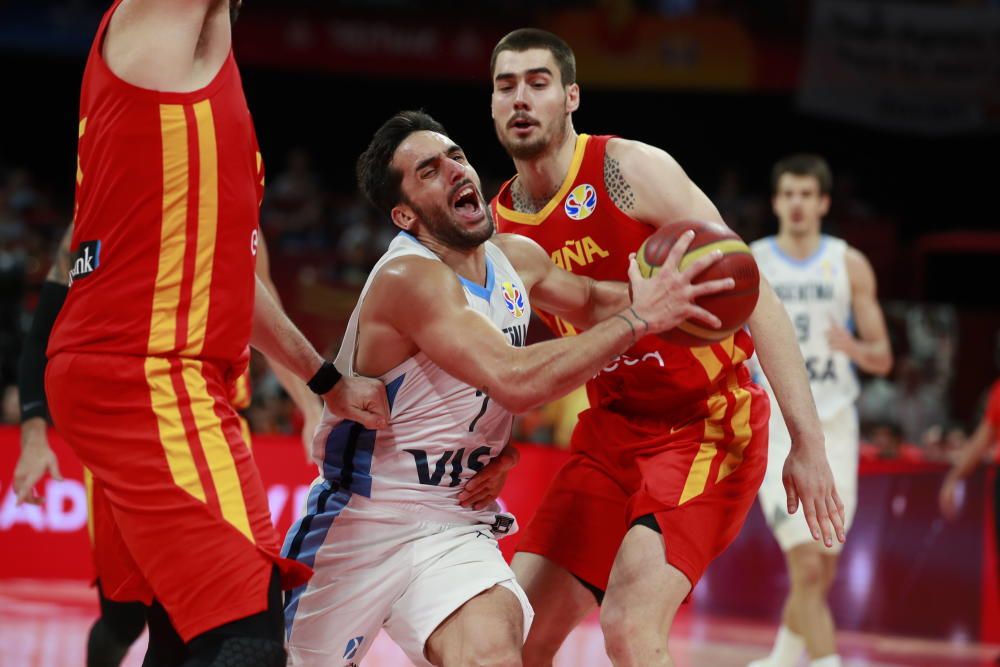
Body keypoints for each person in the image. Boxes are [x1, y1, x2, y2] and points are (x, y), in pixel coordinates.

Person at [282, 110, 735, 667]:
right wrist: (641, 319)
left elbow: (592, 299)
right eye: (429, 170)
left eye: (454, 155)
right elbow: (515, 379)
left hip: (453, 519)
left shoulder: (514, 259)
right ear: (404, 215)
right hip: (363, 520)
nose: (454, 170)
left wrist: (681, 292)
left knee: (494, 652)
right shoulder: (410, 279)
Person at [31, 2, 387, 665]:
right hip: (149, 368)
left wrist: (323, 380)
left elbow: (237, 282)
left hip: (155, 369)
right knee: (245, 632)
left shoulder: (209, 90)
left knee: (179, 625)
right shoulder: (159, 27)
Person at [488, 29, 845, 667]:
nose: (521, 98)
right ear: (491, 105)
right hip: (611, 432)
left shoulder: (626, 170)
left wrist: (808, 445)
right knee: (513, 635)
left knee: (628, 625)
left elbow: (753, 292)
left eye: (537, 83)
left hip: (708, 424)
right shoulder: (501, 230)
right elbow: (492, 361)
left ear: (570, 97)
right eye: (505, 85)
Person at [13, 226, 322, 667]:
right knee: (126, 620)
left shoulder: (233, 208)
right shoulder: (102, 211)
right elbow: (44, 330)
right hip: (131, 425)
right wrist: (32, 431)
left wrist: (309, 403)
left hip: (211, 426)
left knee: (206, 628)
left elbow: (262, 301)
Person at [748, 154, 893, 667]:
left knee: (823, 571)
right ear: (776, 203)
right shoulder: (751, 260)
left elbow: (883, 356)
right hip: (778, 431)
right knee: (807, 568)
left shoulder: (847, 263)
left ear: (824, 203)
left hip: (835, 429)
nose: (797, 204)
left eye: (807, 195)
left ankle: (781, 661)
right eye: (788, 194)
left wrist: (850, 347)